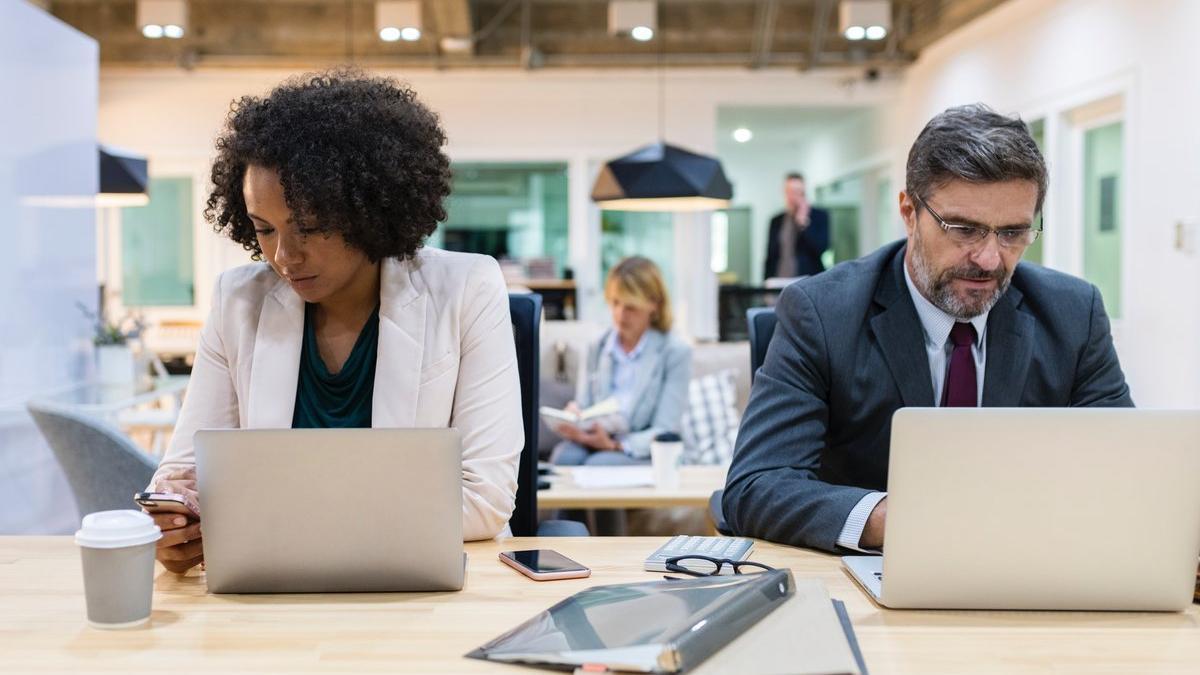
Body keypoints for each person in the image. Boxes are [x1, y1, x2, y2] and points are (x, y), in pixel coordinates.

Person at [146, 70, 523, 574]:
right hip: (272, 585)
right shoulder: (237, 301)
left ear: (369, 208)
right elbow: (182, 476)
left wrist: (253, 519)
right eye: (264, 229)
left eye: (312, 228)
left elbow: (483, 499)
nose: (284, 256)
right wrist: (176, 524)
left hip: (429, 589)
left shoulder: (468, 287)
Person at [723, 104, 1132, 553]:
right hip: (871, 582)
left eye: (1013, 233)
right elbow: (756, 486)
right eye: (964, 229)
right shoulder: (822, 313)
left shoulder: (1074, 315)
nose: (990, 259)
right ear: (908, 211)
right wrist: (896, 522)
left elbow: (1122, 473)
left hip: (1028, 566)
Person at [551, 256, 691, 466]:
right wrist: (575, 415)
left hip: (642, 449)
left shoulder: (675, 352)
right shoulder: (596, 346)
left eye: (631, 307)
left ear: (654, 304)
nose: (620, 315)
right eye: (615, 303)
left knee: (600, 464)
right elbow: (584, 404)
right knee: (564, 458)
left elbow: (666, 429)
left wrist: (614, 445)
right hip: (595, 438)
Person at [764, 172, 830, 279]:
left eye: (796, 192)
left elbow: (821, 248)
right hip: (779, 281)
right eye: (789, 192)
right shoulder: (776, 220)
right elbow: (770, 257)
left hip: (807, 281)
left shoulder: (819, 216)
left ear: (803, 193)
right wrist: (766, 283)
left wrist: (803, 224)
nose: (792, 196)